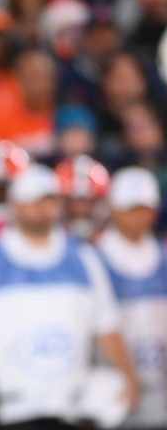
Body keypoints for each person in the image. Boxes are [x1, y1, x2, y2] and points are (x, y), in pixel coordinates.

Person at [0, 164, 139, 430]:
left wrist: (129, 378)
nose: (42, 209)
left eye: (49, 200)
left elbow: (107, 327)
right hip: (9, 409)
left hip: (71, 410)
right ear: (15, 204)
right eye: (34, 201)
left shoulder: (83, 257)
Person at [96, 167, 167, 430]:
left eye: (144, 208)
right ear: (113, 208)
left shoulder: (163, 255)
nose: (139, 216)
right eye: (130, 208)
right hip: (113, 394)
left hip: (161, 392)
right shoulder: (94, 257)